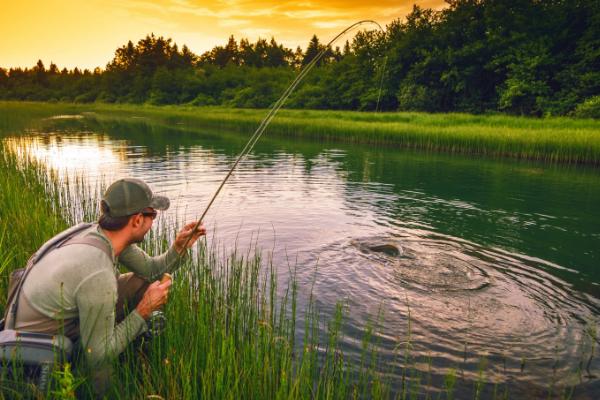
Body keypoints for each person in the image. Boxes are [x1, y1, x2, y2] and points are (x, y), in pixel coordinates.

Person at [4, 178, 205, 394]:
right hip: (34, 349)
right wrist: (143, 310)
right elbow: (97, 354)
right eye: (152, 215)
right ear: (137, 220)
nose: (153, 222)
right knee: (101, 359)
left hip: (46, 319)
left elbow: (150, 271)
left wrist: (178, 248)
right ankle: (100, 393)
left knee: (141, 282)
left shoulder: (99, 234)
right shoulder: (98, 271)